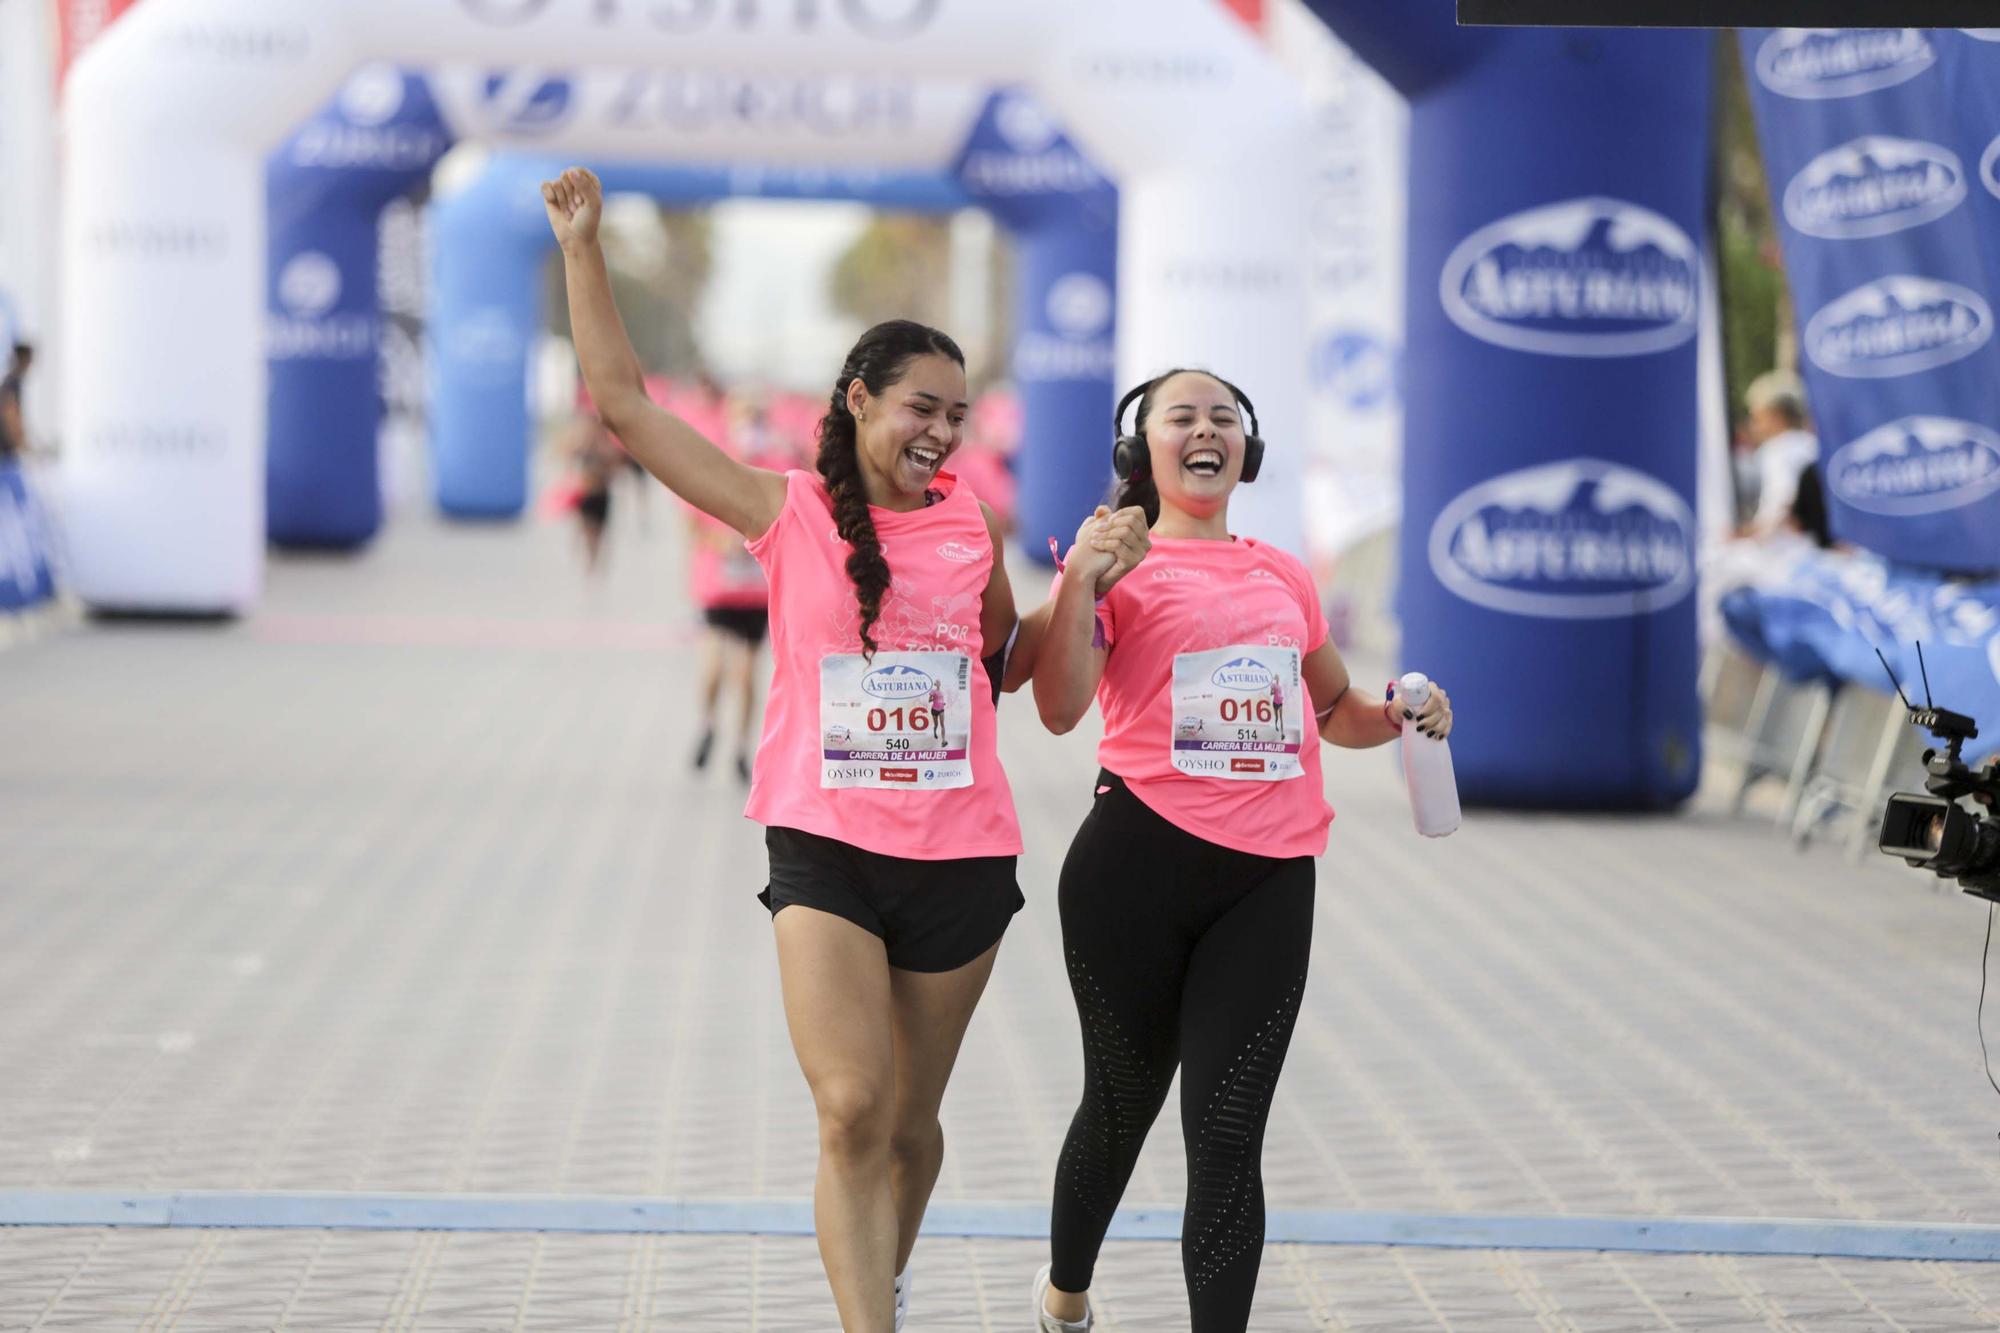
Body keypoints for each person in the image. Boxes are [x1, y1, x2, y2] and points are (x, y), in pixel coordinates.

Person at [540, 166, 1146, 1333]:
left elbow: (1010, 666)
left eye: (958, 416)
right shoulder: (785, 511)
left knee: (910, 1125)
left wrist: (1083, 586)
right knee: (849, 1106)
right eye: (921, 406)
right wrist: (582, 247)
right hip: (823, 844)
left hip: (960, 857)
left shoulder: (970, 523)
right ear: (859, 398)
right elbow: (622, 404)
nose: (941, 433)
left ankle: (887, 1275)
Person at [1028, 369, 1454, 1333]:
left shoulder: (1283, 572)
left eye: (1223, 417)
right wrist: (1083, 577)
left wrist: (1399, 712)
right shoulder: (1112, 564)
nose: (1206, 431)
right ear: (1143, 452)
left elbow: (1337, 710)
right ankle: (1064, 1297)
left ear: (1247, 451)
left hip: (1265, 883)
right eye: (1181, 418)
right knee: (1120, 1107)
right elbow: (1057, 710)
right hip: (1132, 870)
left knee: (1225, 1136)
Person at [1736, 369, 1820, 542]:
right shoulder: (1812, 444)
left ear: (1775, 415)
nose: (1752, 425)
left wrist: (1752, 535)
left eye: (1756, 418)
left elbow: (1782, 504)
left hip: (1785, 549)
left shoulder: (1776, 450)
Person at [1, 343, 33, 463]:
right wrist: (21, 442)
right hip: (6, 449)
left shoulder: (12, 382)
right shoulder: (11, 384)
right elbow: (9, 415)